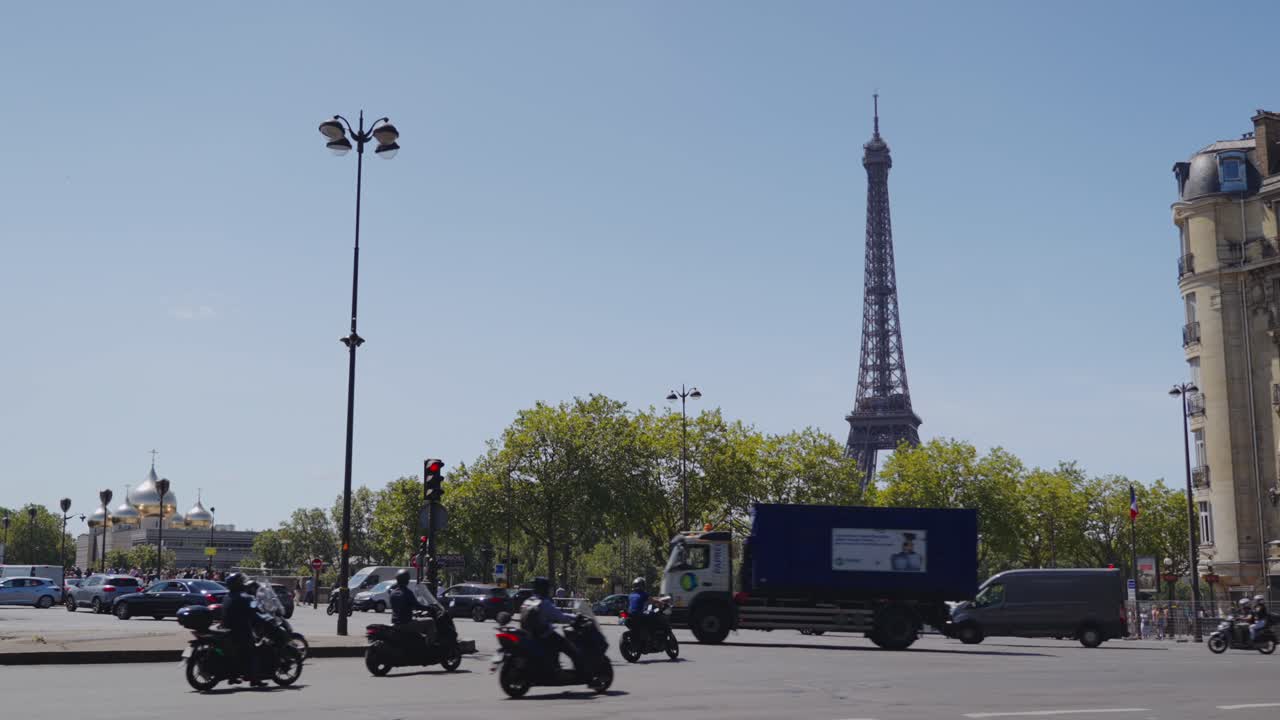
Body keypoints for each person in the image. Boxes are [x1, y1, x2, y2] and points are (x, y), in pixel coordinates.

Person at [522, 576, 579, 670]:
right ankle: (569, 669)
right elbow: (561, 617)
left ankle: (553, 664)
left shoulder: (529, 601)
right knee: (567, 645)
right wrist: (576, 617)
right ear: (544, 589)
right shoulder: (544, 603)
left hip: (530, 635)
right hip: (543, 635)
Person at [220, 573, 265, 687]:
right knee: (254, 651)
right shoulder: (245, 597)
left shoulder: (227, 596)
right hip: (240, 630)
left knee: (237, 652)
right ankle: (254, 679)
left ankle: (234, 675)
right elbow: (255, 611)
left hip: (226, 628)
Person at [389, 569, 437, 642]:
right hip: (406, 624)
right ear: (406, 580)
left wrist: (412, 612)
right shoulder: (407, 592)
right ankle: (430, 647)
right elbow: (417, 606)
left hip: (395, 623)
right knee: (430, 622)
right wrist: (430, 608)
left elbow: (401, 608)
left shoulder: (393, 593)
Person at [626, 577, 652, 645]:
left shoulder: (630, 595)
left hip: (629, 616)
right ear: (643, 585)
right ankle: (648, 639)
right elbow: (652, 601)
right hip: (638, 616)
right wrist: (661, 602)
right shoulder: (644, 594)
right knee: (651, 619)